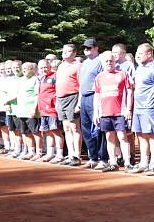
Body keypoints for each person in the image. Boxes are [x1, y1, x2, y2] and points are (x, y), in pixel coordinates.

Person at [93, 51, 133, 172]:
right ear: (103, 63)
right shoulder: (99, 77)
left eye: (111, 61)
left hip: (119, 112)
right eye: (106, 61)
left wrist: (128, 109)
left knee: (122, 136)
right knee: (109, 137)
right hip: (105, 113)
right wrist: (96, 112)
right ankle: (113, 162)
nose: (109, 63)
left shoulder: (122, 74)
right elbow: (97, 95)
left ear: (115, 61)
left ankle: (127, 162)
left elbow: (130, 91)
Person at [128, 43, 154, 175]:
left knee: (153, 135)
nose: (138, 56)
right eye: (137, 53)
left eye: (140, 53)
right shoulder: (139, 68)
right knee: (141, 136)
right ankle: (144, 162)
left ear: (149, 54)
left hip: (150, 107)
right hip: (138, 108)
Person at [78, 38, 106, 168]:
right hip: (84, 97)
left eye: (89, 48)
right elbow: (81, 84)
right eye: (84, 48)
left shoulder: (101, 61)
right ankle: (93, 157)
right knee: (86, 129)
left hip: (95, 96)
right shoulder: (84, 63)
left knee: (98, 128)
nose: (86, 50)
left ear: (96, 48)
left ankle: (103, 158)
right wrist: (79, 101)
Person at [55, 44, 82, 166]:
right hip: (61, 99)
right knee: (66, 128)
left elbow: (81, 86)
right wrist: (57, 101)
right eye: (64, 51)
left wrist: (79, 103)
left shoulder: (78, 66)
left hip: (73, 97)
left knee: (74, 127)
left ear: (74, 53)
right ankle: (70, 154)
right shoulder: (60, 66)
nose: (65, 53)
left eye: (68, 51)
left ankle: (77, 155)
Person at [37, 58, 64, 162]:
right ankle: (50, 153)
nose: (44, 69)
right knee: (48, 132)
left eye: (45, 67)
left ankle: (60, 154)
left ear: (49, 66)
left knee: (56, 131)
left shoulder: (55, 76)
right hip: (43, 109)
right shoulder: (42, 78)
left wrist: (56, 104)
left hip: (52, 109)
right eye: (41, 67)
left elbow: (58, 91)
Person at [14, 62, 42, 160]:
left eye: (27, 68)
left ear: (32, 70)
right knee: (26, 132)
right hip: (21, 111)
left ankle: (39, 152)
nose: (24, 70)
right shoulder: (20, 80)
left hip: (31, 111)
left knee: (35, 132)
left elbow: (37, 95)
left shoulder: (35, 79)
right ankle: (31, 152)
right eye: (23, 68)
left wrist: (34, 108)